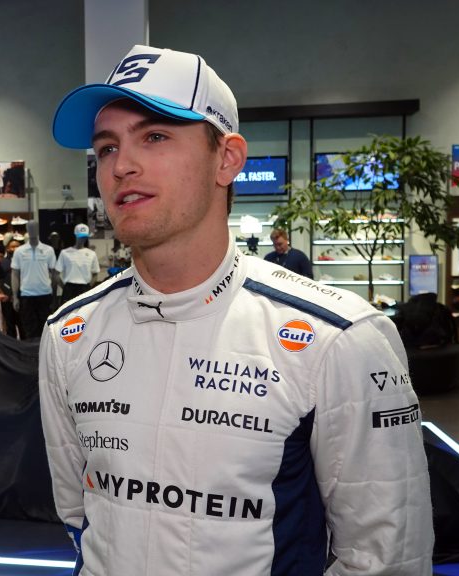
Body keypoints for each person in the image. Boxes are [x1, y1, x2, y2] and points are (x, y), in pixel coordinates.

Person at [41, 44, 432, 575]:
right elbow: (78, 513)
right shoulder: (68, 333)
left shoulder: (338, 338)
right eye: (106, 148)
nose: (122, 167)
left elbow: (387, 559)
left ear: (226, 159)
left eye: (154, 137)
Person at [11, 220, 57, 340]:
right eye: (29, 227)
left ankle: (44, 355)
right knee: (28, 329)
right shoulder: (19, 251)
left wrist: (54, 295)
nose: (32, 230)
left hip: (45, 294)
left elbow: (54, 274)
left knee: (46, 329)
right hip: (27, 295)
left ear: (38, 229)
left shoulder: (48, 250)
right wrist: (15, 296)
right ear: (27, 229)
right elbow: (15, 274)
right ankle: (30, 357)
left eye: (34, 227)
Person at [55, 223, 100, 303]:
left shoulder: (91, 254)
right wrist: (64, 287)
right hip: (69, 287)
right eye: (80, 237)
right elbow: (56, 273)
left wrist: (88, 287)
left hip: (84, 288)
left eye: (84, 237)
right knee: (68, 315)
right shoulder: (65, 253)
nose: (82, 239)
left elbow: (95, 274)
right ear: (75, 235)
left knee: (85, 314)